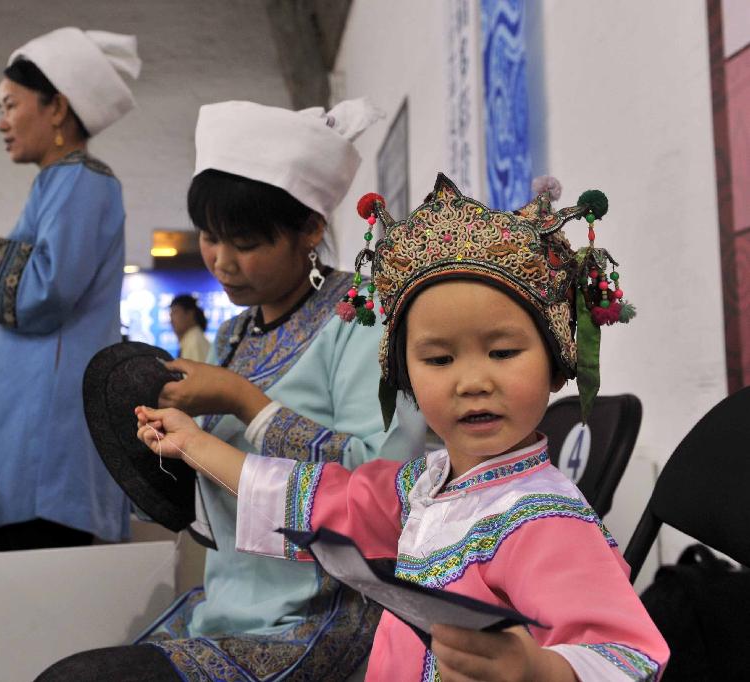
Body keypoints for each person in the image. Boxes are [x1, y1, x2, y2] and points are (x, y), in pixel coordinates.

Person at [133, 174, 669, 681]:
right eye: (439, 360)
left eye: (503, 352)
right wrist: (194, 442)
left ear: (556, 365)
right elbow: (313, 495)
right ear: (404, 379)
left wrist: (538, 670)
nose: (472, 381)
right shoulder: (423, 488)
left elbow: (627, 653)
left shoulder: (543, 519)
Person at [39, 100, 425, 680]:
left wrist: (245, 401)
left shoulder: (363, 317)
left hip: (326, 616)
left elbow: (388, 485)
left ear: (310, 230)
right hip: (228, 604)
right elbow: (205, 489)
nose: (221, 261)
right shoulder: (235, 333)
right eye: (210, 238)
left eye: (244, 242)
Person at [0, 27, 141, 551]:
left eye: (10, 105)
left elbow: (47, 292)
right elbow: (35, 277)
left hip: (51, 435)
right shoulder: (57, 181)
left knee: (39, 565)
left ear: (57, 108)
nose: (1, 123)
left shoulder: (85, 181)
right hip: (33, 429)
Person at [168, 294, 210, 362]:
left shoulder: (194, 341)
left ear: (190, 314)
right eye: (170, 315)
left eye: (175, 312)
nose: (171, 320)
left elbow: (197, 372)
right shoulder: (190, 339)